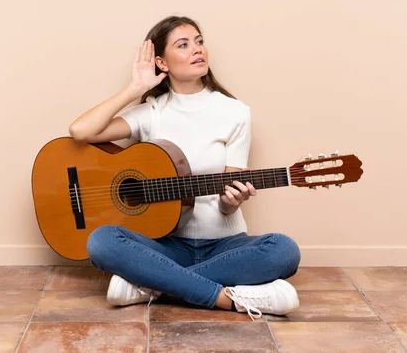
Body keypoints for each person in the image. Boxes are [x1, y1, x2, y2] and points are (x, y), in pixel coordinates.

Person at [68, 16, 301, 320]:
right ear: (162, 63)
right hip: (165, 246)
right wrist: (134, 88)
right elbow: (80, 131)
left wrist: (232, 202)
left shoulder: (234, 112)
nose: (197, 49)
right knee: (101, 241)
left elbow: (228, 205)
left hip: (224, 246)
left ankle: (152, 285)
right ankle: (227, 299)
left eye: (200, 41)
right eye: (184, 45)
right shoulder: (151, 113)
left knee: (283, 250)